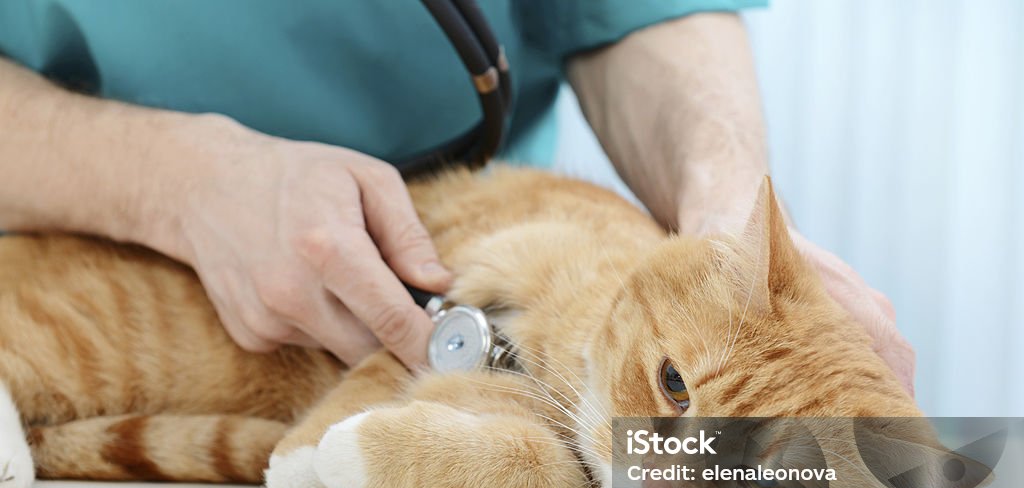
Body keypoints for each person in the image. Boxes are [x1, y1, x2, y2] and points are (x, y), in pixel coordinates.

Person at [0, 1, 913, 391]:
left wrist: (728, 224)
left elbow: (636, 11)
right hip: (59, 257)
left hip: (470, 292)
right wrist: (173, 182)